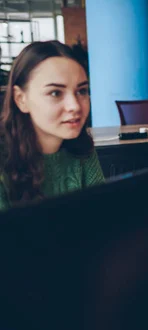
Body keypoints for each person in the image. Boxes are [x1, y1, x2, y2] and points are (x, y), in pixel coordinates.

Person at [0, 41, 104, 211]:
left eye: (82, 91)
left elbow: (104, 216)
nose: (75, 106)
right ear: (20, 99)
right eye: (55, 93)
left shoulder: (82, 149)